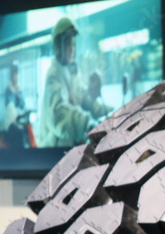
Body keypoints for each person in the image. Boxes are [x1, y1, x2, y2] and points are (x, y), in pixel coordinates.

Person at [38, 17, 112, 147]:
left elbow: (84, 98)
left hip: (69, 148)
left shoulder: (72, 72)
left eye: (73, 44)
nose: (72, 49)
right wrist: (87, 123)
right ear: (58, 46)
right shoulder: (54, 75)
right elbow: (59, 116)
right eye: (68, 44)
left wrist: (107, 111)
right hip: (53, 152)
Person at [3, 62, 29, 149]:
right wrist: (17, 116)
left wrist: (27, 111)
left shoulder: (19, 89)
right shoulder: (8, 90)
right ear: (11, 76)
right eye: (15, 74)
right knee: (19, 132)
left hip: (19, 120)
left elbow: (23, 104)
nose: (16, 76)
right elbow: (11, 107)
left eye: (17, 74)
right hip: (11, 122)